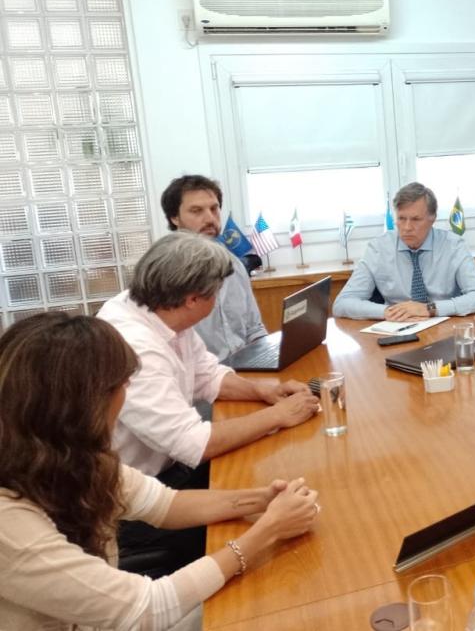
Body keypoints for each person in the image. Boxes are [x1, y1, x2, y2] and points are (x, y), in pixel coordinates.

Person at [0, 312, 321, 630]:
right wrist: (268, 531)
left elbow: (166, 505)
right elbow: (148, 609)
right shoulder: (8, 522)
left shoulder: (71, 459)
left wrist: (262, 500)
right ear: (82, 405)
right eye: (120, 386)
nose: (125, 397)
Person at [98, 231, 320, 574]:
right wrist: (279, 415)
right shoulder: (133, 344)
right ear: (192, 299)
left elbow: (207, 374)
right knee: (272, 541)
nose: (217, 299)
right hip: (131, 505)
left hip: (167, 471)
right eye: (215, 292)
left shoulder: (162, 309)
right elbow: (194, 445)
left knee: (269, 479)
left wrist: (262, 392)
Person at [333, 182, 475, 320]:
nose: (407, 227)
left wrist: (430, 309)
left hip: (444, 325)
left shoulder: (453, 246)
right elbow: (342, 304)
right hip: (399, 328)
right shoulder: (378, 248)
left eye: (416, 219)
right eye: (401, 219)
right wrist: (388, 312)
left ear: (432, 218)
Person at [161, 174, 267, 359]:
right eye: (196, 211)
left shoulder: (235, 264)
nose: (210, 218)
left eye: (214, 209)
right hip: (201, 379)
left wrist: (269, 357)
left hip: (248, 367)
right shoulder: (165, 274)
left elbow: (254, 328)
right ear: (174, 218)